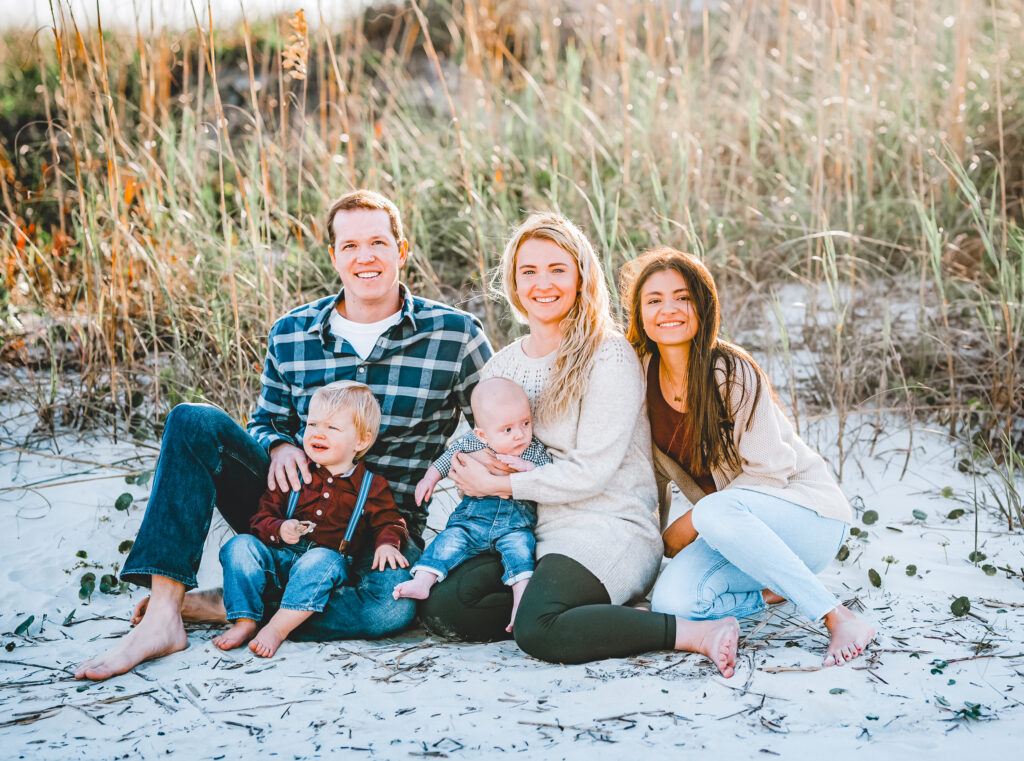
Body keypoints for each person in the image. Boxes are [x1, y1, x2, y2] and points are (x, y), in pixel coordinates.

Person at [75, 189, 492, 681]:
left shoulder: (456, 335)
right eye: (351, 245)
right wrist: (277, 444)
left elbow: (496, 427)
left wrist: (470, 472)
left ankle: (237, 602)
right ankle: (166, 612)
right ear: (333, 255)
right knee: (193, 420)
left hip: (382, 532)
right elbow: (265, 420)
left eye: (378, 243)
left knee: (391, 613)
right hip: (291, 516)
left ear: (401, 251)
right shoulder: (292, 333)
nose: (366, 257)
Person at [418, 213, 741, 676]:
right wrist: (471, 475)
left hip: (607, 524)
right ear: (513, 281)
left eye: (557, 269)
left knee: (538, 629)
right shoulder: (502, 365)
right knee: (446, 607)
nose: (542, 283)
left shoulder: (607, 354)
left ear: (580, 277)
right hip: (530, 531)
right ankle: (599, 617)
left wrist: (500, 485)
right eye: (528, 271)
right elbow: (485, 451)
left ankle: (694, 633)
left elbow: (591, 473)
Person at [619, 247, 876, 667]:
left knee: (713, 512)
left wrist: (690, 522)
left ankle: (836, 616)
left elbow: (772, 474)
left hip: (807, 520)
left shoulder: (730, 371)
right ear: (640, 313)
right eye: (654, 300)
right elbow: (648, 482)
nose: (669, 309)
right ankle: (775, 590)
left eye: (683, 297)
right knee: (673, 603)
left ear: (703, 306)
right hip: (738, 533)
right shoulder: (639, 373)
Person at [216, 380, 409, 658]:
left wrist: (387, 544)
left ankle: (278, 627)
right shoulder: (294, 473)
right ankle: (245, 620)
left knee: (321, 559)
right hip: (280, 559)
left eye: (332, 428)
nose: (319, 433)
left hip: (325, 569)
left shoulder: (371, 486)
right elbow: (261, 518)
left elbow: (389, 521)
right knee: (239, 546)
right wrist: (280, 529)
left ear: (362, 440)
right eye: (313, 425)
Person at [393, 376, 550, 631]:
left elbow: (548, 474)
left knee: (521, 551)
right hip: (471, 521)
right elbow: (447, 459)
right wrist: (429, 479)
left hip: (514, 525)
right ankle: (423, 580)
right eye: (508, 430)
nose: (520, 435)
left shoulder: (532, 450)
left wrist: (530, 468)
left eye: (526, 423)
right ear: (482, 434)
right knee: (449, 540)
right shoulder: (471, 443)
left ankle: (521, 601)